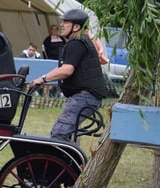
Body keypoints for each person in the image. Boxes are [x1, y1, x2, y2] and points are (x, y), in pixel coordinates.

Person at [27, 9, 108, 141]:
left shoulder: (77, 43)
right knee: (64, 134)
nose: (62, 24)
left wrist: (41, 79)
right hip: (87, 95)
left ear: (76, 27)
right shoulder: (83, 40)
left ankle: (62, 161)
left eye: (66, 22)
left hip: (84, 96)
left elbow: (66, 70)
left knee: (59, 133)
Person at [41, 24, 66, 106]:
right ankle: (47, 100)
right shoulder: (47, 40)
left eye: (56, 29)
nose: (54, 31)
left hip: (60, 61)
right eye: (53, 29)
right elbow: (44, 51)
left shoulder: (61, 39)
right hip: (50, 61)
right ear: (51, 30)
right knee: (49, 80)